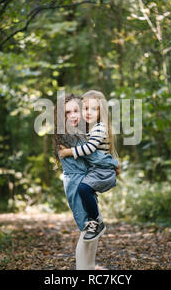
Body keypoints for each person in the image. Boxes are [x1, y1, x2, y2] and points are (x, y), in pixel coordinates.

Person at [53, 93, 118, 269]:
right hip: (77, 183)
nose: (74, 115)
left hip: (83, 180)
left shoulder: (79, 133)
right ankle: (84, 269)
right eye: (68, 112)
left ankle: (89, 267)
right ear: (61, 116)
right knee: (88, 228)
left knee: (92, 227)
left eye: (77, 110)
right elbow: (94, 155)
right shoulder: (71, 137)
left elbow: (94, 154)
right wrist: (113, 163)